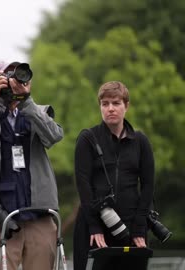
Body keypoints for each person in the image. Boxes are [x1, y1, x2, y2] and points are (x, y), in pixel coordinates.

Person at [0, 62, 64, 270]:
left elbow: (54, 136)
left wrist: (26, 101)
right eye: (2, 79)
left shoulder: (37, 112)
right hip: (0, 216)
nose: (11, 85)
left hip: (38, 213)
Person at [73, 81, 154, 270]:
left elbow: (149, 185)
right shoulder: (87, 138)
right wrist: (94, 226)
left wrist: (140, 227)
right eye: (105, 103)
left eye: (116, 103)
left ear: (126, 105)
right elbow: (83, 184)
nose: (110, 108)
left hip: (132, 227)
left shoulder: (141, 141)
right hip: (94, 226)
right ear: (100, 106)